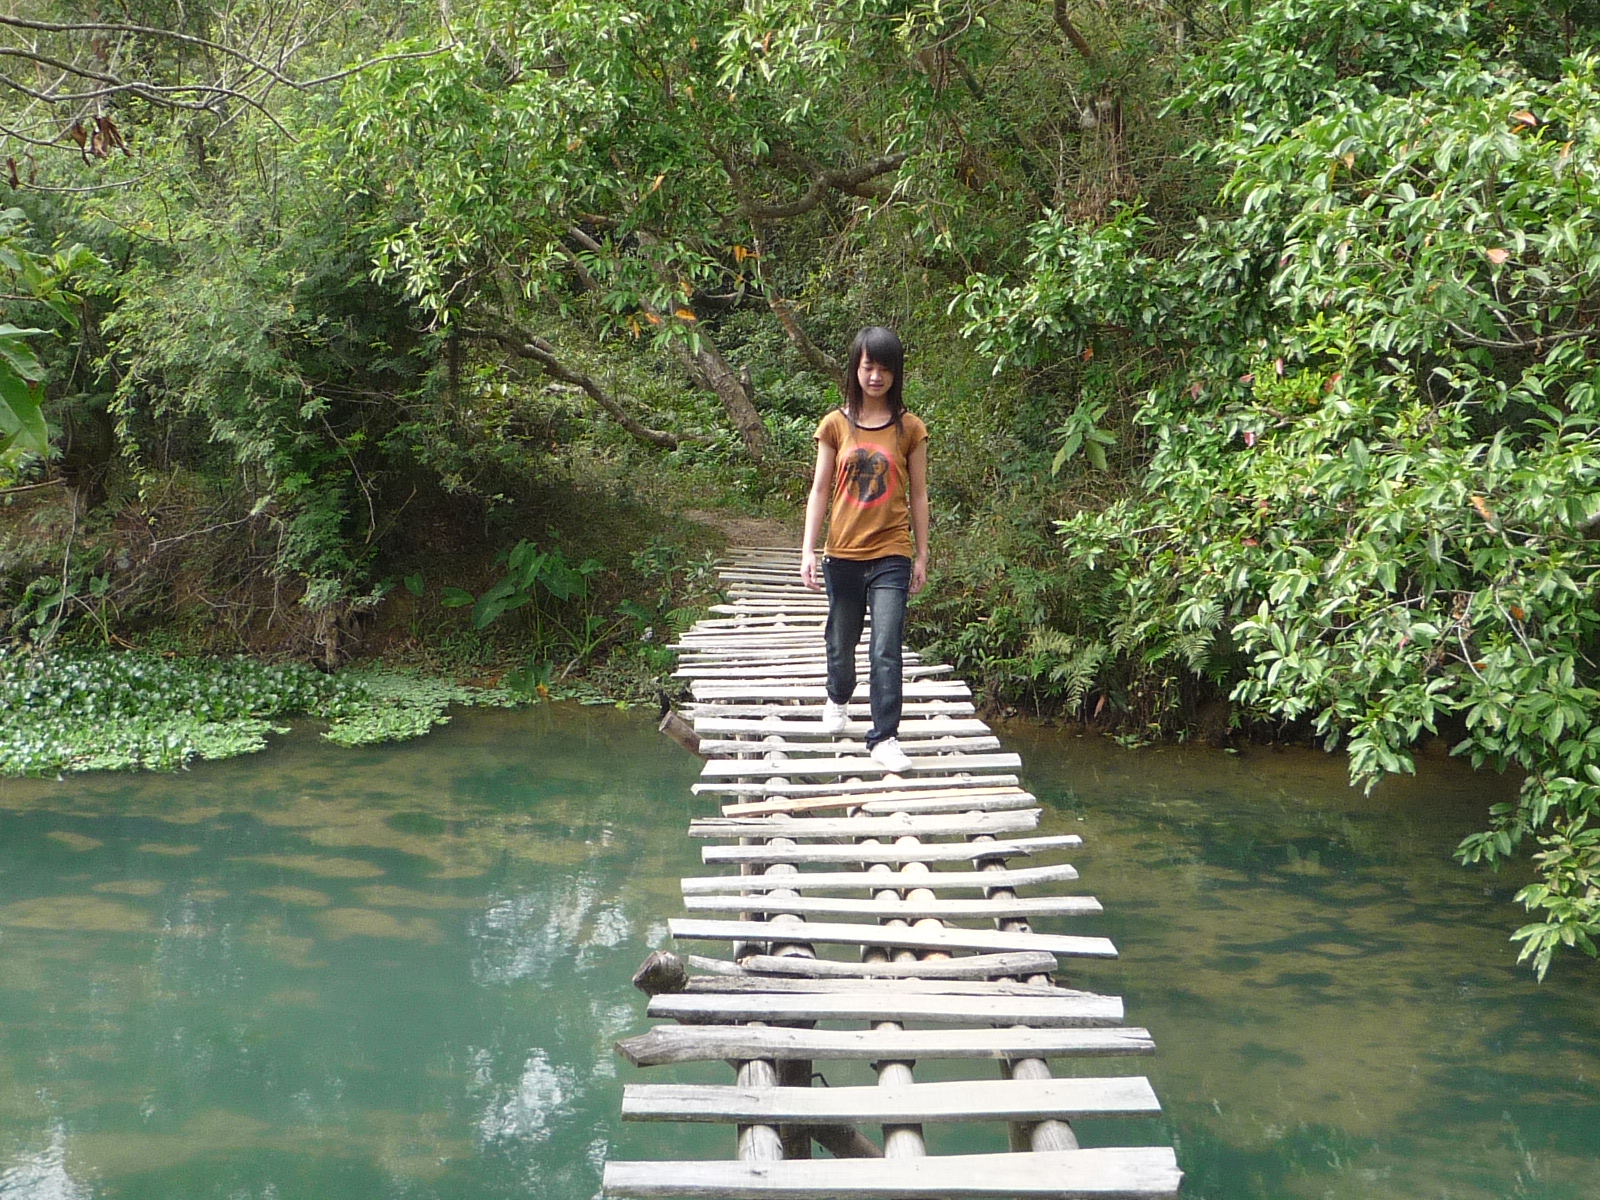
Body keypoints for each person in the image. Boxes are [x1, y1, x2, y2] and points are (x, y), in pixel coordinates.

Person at [800, 326, 929, 773]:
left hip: (892, 552)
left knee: (886, 645)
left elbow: (919, 495)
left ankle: (884, 737)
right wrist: (808, 549)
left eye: (884, 368)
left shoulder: (910, 428)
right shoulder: (835, 425)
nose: (876, 376)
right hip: (843, 553)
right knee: (841, 640)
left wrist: (922, 554)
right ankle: (838, 695)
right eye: (868, 366)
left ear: (896, 373)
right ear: (855, 369)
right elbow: (820, 490)